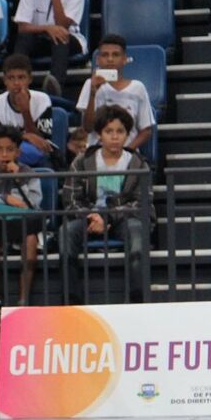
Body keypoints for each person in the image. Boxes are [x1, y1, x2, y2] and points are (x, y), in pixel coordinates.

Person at [60, 104, 152, 304]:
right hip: (89, 218)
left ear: (127, 135)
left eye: (120, 131)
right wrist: (93, 216)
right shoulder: (82, 161)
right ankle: (71, 301)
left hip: (124, 219)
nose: (115, 136)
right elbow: (71, 200)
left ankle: (138, 300)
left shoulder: (138, 163)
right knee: (66, 233)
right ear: (100, 135)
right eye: (109, 131)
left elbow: (140, 202)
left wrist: (108, 217)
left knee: (137, 234)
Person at [0, 125, 43, 315]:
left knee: (31, 242)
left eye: (10, 149)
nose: (4, 154)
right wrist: (4, 199)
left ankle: (23, 300)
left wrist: (19, 180)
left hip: (24, 225)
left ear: (18, 152)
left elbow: (33, 204)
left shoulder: (29, 173)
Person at [12, 0, 87, 96]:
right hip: (40, 38)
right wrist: (47, 28)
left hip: (70, 39)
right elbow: (22, 26)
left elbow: (62, 26)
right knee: (23, 38)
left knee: (61, 37)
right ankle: (17, 86)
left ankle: (54, 89)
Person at [76, 34, 154, 151]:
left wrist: (125, 152)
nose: (110, 59)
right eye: (105, 55)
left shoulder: (138, 88)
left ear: (124, 59)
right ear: (98, 60)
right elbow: (87, 128)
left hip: (128, 153)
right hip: (97, 152)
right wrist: (93, 94)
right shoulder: (90, 84)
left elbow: (146, 130)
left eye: (115, 55)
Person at [0, 53, 55, 168]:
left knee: (45, 162)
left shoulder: (42, 100)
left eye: (21, 77)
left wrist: (25, 111)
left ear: (30, 79)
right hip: (4, 156)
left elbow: (42, 143)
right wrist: (24, 136)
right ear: (5, 80)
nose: (16, 83)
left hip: (36, 158)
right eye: (11, 78)